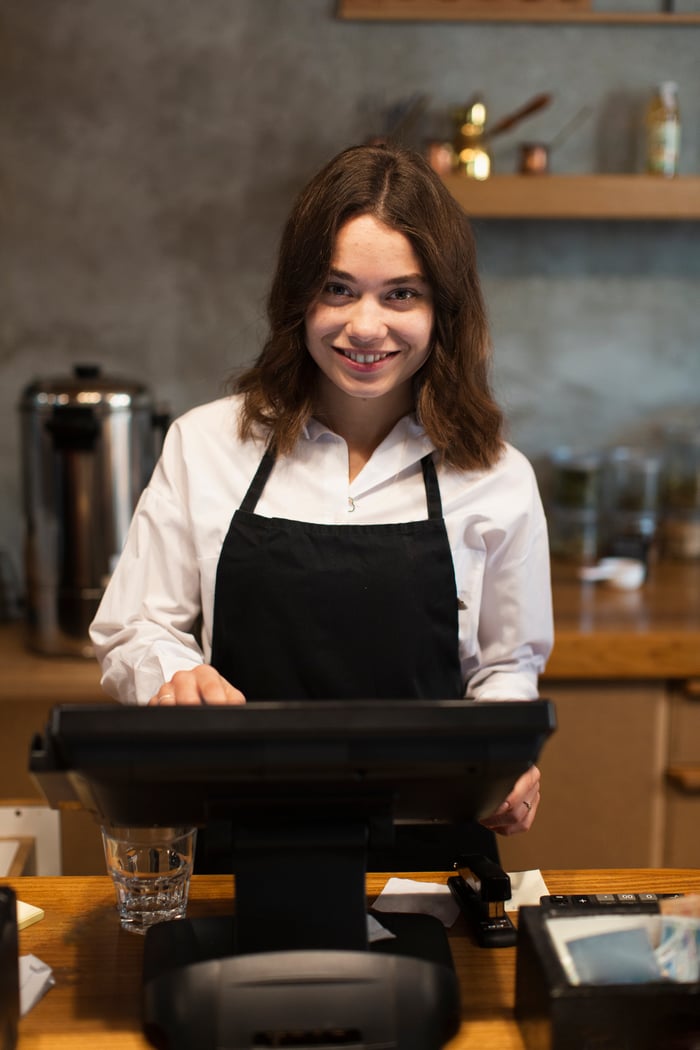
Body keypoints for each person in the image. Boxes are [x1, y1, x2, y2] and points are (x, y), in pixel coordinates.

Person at [90, 143, 553, 868]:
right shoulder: (205, 445)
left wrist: (502, 762)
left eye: (402, 293)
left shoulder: (496, 476)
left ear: (445, 310)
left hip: (430, 867)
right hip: (234, 858)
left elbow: (505, 668)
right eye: (338, 289)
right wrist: (170, 678)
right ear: (298, 296)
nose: (366, 327)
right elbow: (133, 630)